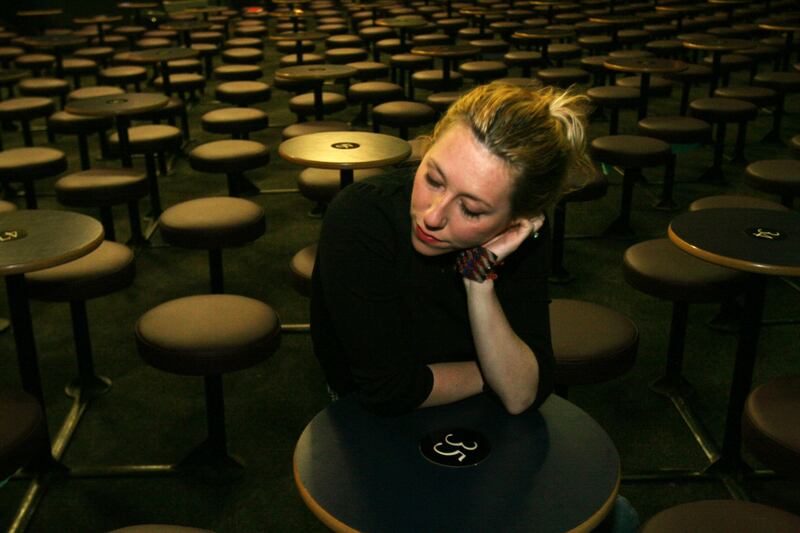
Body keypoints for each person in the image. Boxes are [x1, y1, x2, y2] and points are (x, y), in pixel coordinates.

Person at [311, 81, 592, 417]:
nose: (432, 217)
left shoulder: (524, 236)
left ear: (514, 221)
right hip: (368, 417)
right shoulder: (361, 217)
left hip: (475, 409)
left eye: (471, 209)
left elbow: (519, 395)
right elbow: (387, 390)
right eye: (433, 179)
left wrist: (478, 280)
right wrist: (495, 373)